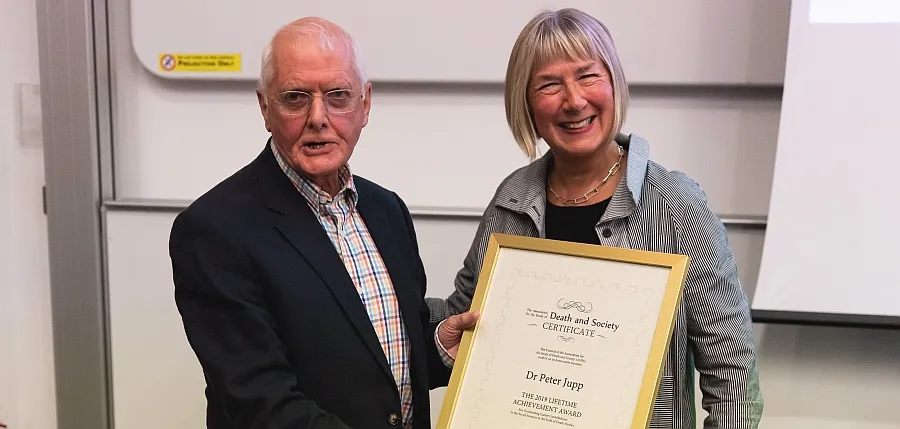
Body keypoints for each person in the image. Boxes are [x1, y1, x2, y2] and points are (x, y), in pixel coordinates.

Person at [427, 8, 763, 429]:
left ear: (614, 83)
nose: (574, 100)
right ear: (526, 104)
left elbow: (732, 372)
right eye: (549, 84)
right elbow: (466, 312)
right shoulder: (510, 201)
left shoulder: (677, 205)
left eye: (588, 76)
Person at [169, 17, 475, 429]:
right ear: (265, 107)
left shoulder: (388, 211)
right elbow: (260, 403)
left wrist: (437, 348)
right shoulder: (214, 230)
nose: (318, 117)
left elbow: (381, 360)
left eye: (338, 96)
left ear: (365, 105)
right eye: (295, 97)